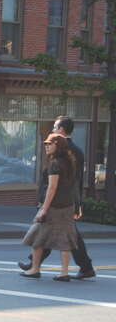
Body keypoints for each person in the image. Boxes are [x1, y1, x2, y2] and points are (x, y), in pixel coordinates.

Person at [17, 115, 96, 279]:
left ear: (60, 131)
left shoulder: (64, 154)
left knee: (47, 233)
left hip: (57, 203)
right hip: (64, 202)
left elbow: (59, 184)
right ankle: (74, 268)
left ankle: (36, 266)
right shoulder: (75, 151)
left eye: (54, 127)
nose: (47, 145)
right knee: (63, 235)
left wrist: (45, 206)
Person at [20, 133, 79, 281]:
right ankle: (64, 273)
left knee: (37, 237)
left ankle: (34, 269)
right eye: (46, 144)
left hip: (53, 207)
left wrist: (44, 209)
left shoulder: (55, 164)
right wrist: (77, 205)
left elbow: (52, 188)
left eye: (50, 144)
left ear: (58, 146)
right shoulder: (70, 162)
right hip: (67, 206)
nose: (46, 146)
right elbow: (74, 186)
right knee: (65, 240)